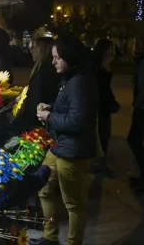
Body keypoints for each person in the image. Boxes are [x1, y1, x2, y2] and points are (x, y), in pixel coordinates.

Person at [35, 36, 98, 245]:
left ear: (69, 58)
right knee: (44, 189)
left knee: (73, 204)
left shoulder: (80, 81)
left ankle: (73, 242)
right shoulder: (71, 78)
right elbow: (69, 107)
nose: (53, 62)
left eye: (57, 58)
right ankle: (50, 236)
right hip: (58, 146)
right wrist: (51, 107)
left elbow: (78, 122)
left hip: (72, 152)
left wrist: (50, 117)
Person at [12, 37, 59, 135]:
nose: (31, 51)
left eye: (34, 48)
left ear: (43, 50)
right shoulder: (53, 71)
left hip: (36, 127)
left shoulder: (41, 74)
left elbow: (33, 105)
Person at [93, 39, 119, 173]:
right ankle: (99, 164)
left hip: (105, 106)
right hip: (99, 106)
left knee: (105, 134)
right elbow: (100, 89)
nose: (112, 51)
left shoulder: (108, 64)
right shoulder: (97, 68)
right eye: (110, 48)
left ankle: (101, 163)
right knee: (101, 134)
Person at [128, 51, 144, 193]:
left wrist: (137, 105)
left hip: (143, 109)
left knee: (134, 140)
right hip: (142, 107)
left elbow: (143, 87)